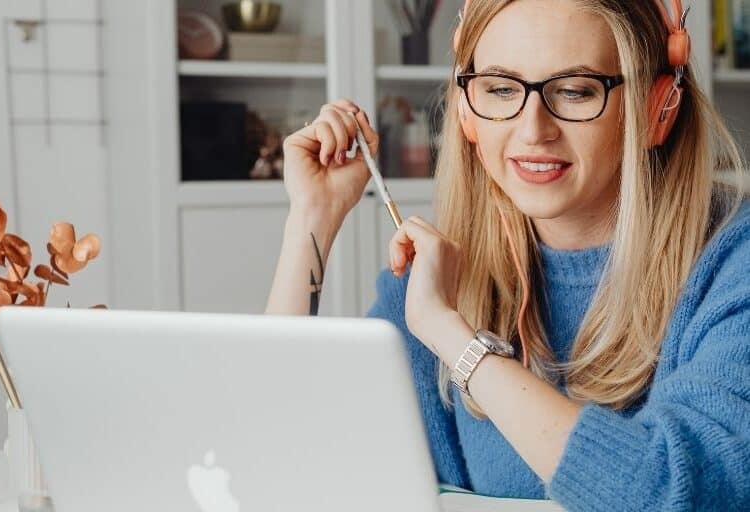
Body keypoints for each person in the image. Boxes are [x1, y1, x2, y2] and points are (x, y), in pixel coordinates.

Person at [266, 0, 749, 509]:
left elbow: (675, 494)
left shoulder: (731, 263)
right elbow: (280, 460)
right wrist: (311, 221)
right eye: (500, 88)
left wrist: (458, 341)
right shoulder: (433, 281)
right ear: (468, 112)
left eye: (574, 90)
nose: (533, 129)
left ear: (658, 110)